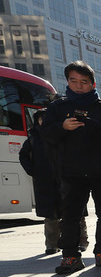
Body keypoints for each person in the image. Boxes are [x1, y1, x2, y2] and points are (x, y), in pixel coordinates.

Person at [41, 61, 101, 274]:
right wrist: (62, 127)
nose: (79, 86)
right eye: (74, 81)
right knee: (70, 216)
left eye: (84, 82)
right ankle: (70, 256)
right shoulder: (57, 108)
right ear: (67, 82)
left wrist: (97, 127)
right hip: (72, 172)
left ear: (93, 83)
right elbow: (45, 136)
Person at [19, 109, 86, 255]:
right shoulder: (33, 138)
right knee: (50, 215)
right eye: (41, 119)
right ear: (37, 121)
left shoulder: (65, 133)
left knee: (75, 212)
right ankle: (52, 245)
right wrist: (33, 171)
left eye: (46, 118)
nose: (43, 121)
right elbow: (23, 156)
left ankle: (81, 241)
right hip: (45, 181)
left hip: (67, 177)